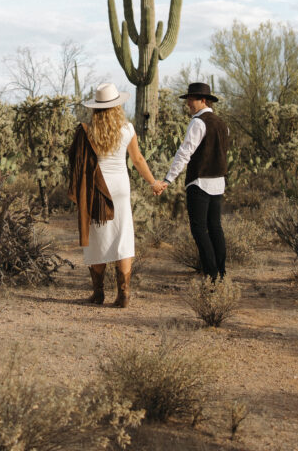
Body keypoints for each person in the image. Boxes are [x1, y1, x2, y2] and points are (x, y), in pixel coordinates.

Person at [68, 82, 162, 308]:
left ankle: (98, 293)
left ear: (96, 108)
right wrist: (153, 183)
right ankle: (123, 294)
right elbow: (138, 159)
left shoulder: (88, 130)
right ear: (117, 106)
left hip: (97, 188)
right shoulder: (127, 129)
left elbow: (76, 161)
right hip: (120, 188)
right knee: (123, 237)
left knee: (98, 239)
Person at [155, 82, 229, 281]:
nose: (188, 103)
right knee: (215, 227)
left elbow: (184, 153)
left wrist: (168, 179)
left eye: (191, 99)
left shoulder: (198, 122)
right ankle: (221, 273)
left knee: (199, 229)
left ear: (202, 100)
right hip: (218, 182)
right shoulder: (222, 123)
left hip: (200, 182)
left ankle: (211, 273)